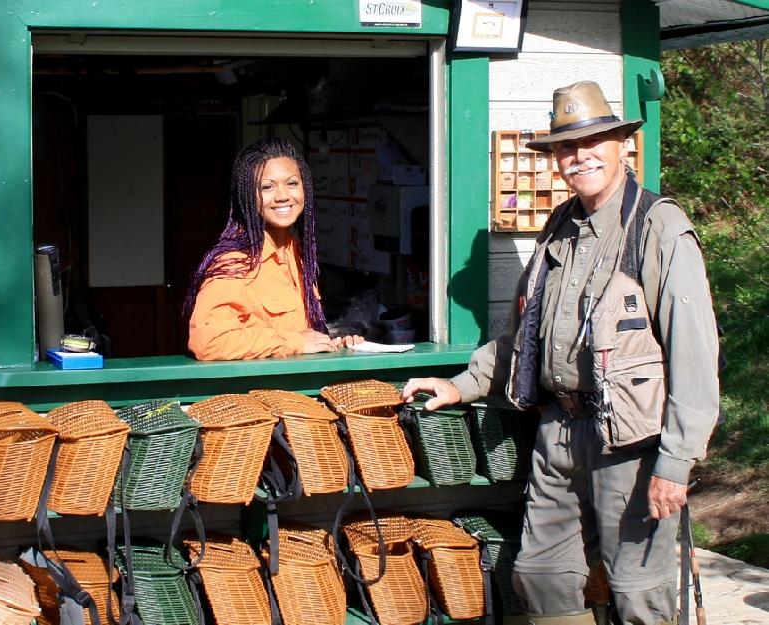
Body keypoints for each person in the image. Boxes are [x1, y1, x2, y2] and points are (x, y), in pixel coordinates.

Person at [403, 81, 720, 625]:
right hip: (560, 431)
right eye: (567, 148)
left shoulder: (658, 227)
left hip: (633, 443)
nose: (580, 156)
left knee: (638, 590)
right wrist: (462, 384)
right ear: (555, 159)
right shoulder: (560, 228)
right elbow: (523, 333)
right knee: (541, 575)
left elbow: (694, 352)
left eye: (595, 142)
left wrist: (676, 460)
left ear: (623, 146)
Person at [185, 137, 361, 360]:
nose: (283, 196)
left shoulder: (295, 252)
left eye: (292, 183)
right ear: (247, 196)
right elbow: (208, 342)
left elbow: (302, 337)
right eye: (267, 187)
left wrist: (335, 344)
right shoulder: (235, 261)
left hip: (295, 391)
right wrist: (294, 342)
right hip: (256, 393)